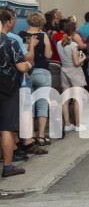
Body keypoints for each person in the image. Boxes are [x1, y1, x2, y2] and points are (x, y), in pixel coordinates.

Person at [0, 7, 32, 177]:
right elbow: (21, 66)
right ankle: (7, 167)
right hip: (7, 89)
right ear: (8, 22)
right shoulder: (10, 42)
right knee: (6, 128)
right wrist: (28, 65)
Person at [25, 13, 53, 145]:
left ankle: (31, 135)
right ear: (41, 22)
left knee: (29, 105)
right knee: (42, 104)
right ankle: (41, 136)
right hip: (42, 71)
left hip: (27, 72)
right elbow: (48, 55)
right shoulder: (43, 35)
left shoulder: (22, 35)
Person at [57, 22, 88, 133]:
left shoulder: (59, 43)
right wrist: (83, 57)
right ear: (74, 31)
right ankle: (78, 125)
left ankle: (67, 124)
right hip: (75, 72)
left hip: (64, 70)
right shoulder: (73, 45)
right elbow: (76, 62)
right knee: (77, 99)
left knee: (65, 99)